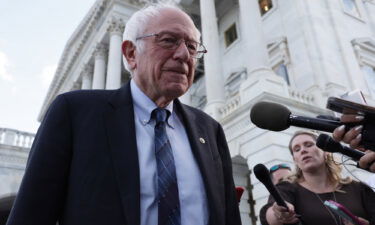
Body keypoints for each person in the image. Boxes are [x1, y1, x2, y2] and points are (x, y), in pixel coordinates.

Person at [6, 3, 241, 225]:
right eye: (169, 41)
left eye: (191, 47)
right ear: (130, 53)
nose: (183, 55)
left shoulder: (209, 130)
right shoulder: (74, 114)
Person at [259, 130, 375, 225]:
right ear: (295, 160)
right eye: (297, 149)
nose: (303, 150)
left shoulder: (359, 189)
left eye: (309, 145)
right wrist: (278, 213)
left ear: (325, 151)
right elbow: (269, 215)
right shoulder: (286, 188)